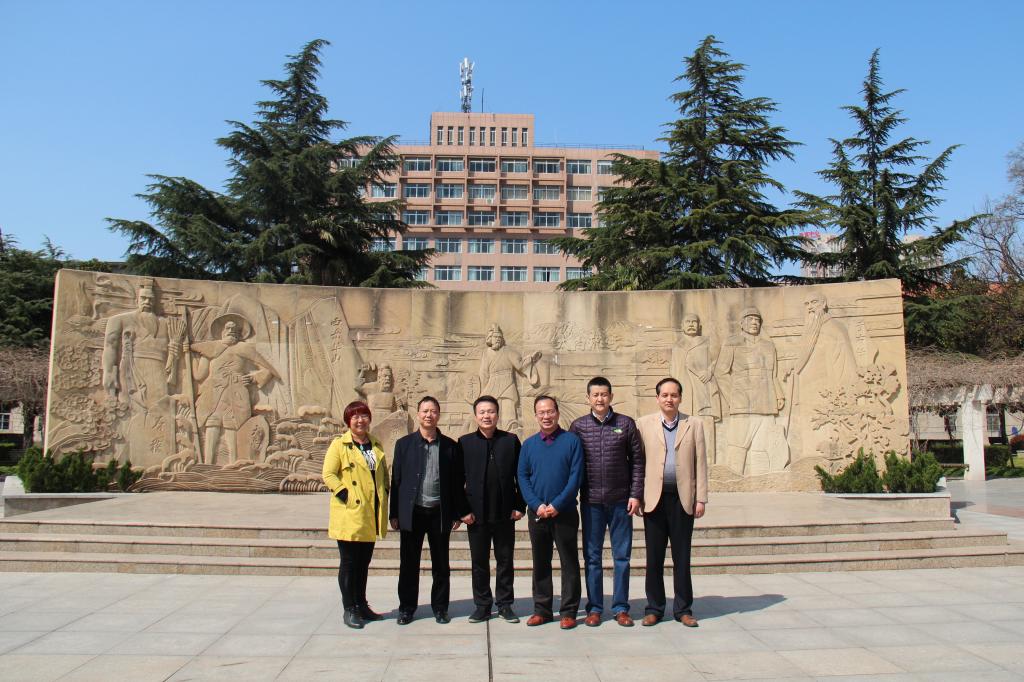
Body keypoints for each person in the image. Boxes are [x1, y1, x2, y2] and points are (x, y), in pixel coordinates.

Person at [569, 377, 644, 627]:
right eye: (595, 395)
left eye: (604, 394)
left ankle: (621, 608)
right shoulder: (578, 427)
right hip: (591, 502)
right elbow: (571, 463)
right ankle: (594, 608)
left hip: (621, 501)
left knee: (621, 557)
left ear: (611, 397)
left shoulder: (625, 423)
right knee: (592, 558)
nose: (600, 399)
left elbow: (637, 461)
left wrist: (635, 494)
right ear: (588, 398)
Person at [636, 378, 708, 627]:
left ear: (680, 398)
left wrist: (701, 498)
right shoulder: (643, 424)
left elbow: (701, 463)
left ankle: (683, 609)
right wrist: (637, 495)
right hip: (653, 500)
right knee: (654, 558)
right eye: (664, 395)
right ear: (657, 398)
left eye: (673, 395)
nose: (669, 399)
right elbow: (638, 463)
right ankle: (654, 608)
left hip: (682, 499)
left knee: (682, 557)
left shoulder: (694, 424)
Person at [390, 396, 467, 624]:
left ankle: (440, 608)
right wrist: (394, 513)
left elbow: (457, 483)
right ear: (418, 414)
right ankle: (406, 608)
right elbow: (397, 480)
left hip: (439, 512)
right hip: (412, 512)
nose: (428, 415)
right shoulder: (404, 444)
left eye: (433, 411)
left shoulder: (450, 446)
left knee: (441, 564)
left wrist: (457, 512)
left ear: (438, 415)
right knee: (408, 564)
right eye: (425, 411)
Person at [322, 400, 390, 629]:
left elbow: (382, 473)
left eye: (364, 416)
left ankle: (362, 604)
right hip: (350, 513)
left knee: (363, 563)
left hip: (370, 513)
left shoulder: (375, 444)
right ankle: (349, 608)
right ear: (348, 421)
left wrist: (386, 491)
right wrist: (346, 495)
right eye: (355, 417)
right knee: (349, 563)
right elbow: (328, 474)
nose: (360, 421)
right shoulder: (339, 445)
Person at [517, 396, 584, 629]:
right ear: (536, 415)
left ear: (557, 412)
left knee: (569, 562)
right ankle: (542, 609)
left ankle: (568, 611)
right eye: (541, 412)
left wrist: (557, 504)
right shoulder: (528, 445)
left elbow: (575, 477)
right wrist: (536, 504)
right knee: (540, 562)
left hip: (564, 512)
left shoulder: (571, 441)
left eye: (550, 411)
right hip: (538, 513)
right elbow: (523, 477)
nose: (546, 416)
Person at [458, 395, 526, 623]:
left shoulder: (510, 441)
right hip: (476, 515)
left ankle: (505, 604)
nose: (486, 416)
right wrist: (463, 511)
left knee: (505, 561)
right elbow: (456, 481)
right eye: (482, 412)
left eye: (491, 411)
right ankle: (482, 605)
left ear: (497, 414)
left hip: (505, 513)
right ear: (475, 416)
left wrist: (520, 506)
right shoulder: (465, 443)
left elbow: (521, 476)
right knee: (479, 562)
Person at [186, 312, 279, 464]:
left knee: (231, 426)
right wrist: (189, 356)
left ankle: (233, 463)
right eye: (228, 328)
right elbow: (198, 376)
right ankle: (208, 463)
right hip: (214, 392)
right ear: (222, 331)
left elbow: (268, 370)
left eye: (234, 329)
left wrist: (253, 378)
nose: (231, 331)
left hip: (235, 392)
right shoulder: (210, 349)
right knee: (212, 424)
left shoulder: (244, 348)